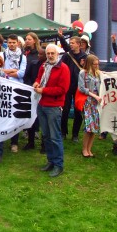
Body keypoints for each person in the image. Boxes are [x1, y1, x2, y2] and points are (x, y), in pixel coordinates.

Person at [33, 45, 70, 178]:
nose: (49, 55)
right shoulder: (44, 66)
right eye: (48, 53)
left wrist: (44, 90)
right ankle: (51, 161)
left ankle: (58, 165)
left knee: (55, 137)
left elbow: (62, 89)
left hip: (53, 106)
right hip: (42, 104)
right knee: (46, 136)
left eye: (52, 53)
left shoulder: (63, 68)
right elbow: (38, 78)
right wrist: (37, 83)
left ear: (57, 53)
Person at [58, 31, 88, 142]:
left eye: (73, 43)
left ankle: (75, 134)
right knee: (65, 110)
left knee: (78, 110)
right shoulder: (67, 55)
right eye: (70, 43)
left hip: (79, 87)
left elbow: (87, 71)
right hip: (67, 86)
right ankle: (63, 132)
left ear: (79, 44)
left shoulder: (85, 56)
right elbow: (61, 67)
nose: (71, 44)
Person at [3, 34, 27, 152]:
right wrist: (13, 71)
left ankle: (14, 142)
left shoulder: (23, 57)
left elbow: (22, 73)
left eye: (13, 42)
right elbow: (1, 71)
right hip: (4, 88)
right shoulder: (3, 55)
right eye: (9, 42)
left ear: (17, 43)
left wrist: (8, 72)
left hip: (17, 88)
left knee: (15, 115)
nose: (11, 44)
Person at [77, 55, 102, 158]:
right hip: (88, 102)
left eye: (97, 64)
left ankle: (89, 148)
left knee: (94, 127)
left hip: (97, 103)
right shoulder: (83, 73)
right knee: (89, 127)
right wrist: (93, 95)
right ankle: (84, 149)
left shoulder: (99, 74)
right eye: (94, 64)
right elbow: (81, 88)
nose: (96, 66)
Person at [22, 47, 46, 150]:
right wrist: (31, 86)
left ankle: (44, 145)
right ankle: (30, 142)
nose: (38, 56)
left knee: (44, 121)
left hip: (45, 95)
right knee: (31, 117)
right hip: (33, 93)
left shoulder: (50, 67)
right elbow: (26, 77)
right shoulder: (33, 63)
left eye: (41, 54)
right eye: (38, 54)